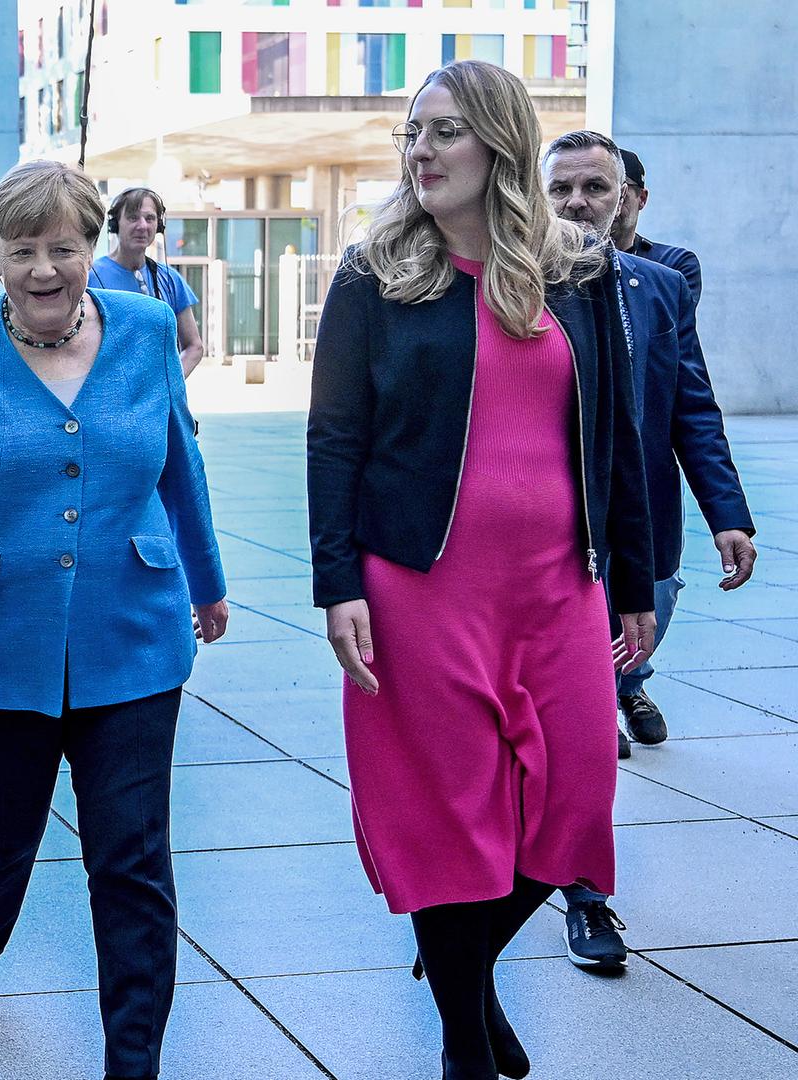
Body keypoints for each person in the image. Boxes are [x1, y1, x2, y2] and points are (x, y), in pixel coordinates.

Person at [306, 62, 654, 1080]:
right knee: (450, 824)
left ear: (499, 143)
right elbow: (334, 440)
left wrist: (633, 579)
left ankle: (462, 964)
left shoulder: (580, 274)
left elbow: (616, 434)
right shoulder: (374, 275)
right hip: (421, 590)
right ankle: (465, 1040)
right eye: (413, 133)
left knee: (577, 801)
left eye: (445, 131)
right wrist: (338, 584)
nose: (421, 151)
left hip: (559, 586)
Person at [0, 159, 228, 1080]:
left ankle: (133, 1062)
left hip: (135, 637)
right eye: (23, 251)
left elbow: (179, 462)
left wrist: (207, 582)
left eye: (64, 248)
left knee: (132, 859)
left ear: (93, 248)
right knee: (2, 835)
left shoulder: (148, 328)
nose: (45, 269)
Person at [541, 131, 756, 970]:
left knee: (601, 700)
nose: (578, 204)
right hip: (552, 545)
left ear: (628, 198)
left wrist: (726, 513)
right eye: (561, 189)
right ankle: (583, 893)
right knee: (582, 728)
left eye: (595, 188)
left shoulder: (661, 286)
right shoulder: (516, 280)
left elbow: (690, 404)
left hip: (644, 539)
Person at [88, 187, 207, 376]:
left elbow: (194, 347)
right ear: (115, 224)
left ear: (159, 226)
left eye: (150, 218)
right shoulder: (90, 276)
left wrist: (169, 385)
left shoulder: (170, 279)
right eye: (133, 218)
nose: (142, 226)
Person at [612, 149, 702, 306]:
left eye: (619, 193)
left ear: (642, 198)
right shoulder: (565, 263)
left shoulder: (673, 263)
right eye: (595, 189)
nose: (608, 203)